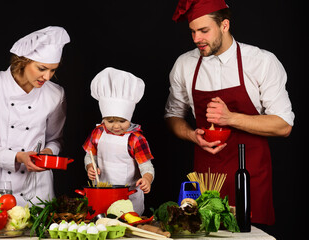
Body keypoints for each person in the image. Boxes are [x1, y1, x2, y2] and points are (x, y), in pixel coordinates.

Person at [165, 0, 294, 225]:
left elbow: (283, 125)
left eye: (204, 31)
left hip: (250, 175)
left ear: (225, 25)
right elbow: (173, 116)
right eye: (193, 32)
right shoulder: (184, 64)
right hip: (205, 179)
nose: (197, 39)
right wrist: (191, 135)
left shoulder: (261, 62)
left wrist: (230, 118)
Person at [0, 26, 70, 207]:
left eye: (53, 70)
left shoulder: (56, 94)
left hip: (38, 193)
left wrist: (48, 154)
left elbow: (55, 140)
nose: (47, 77)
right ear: (23, 61)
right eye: (42, 68)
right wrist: (19, 157)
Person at [83, 67, 155, 215]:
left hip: (128, 198)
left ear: (129, 118)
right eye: (110, 121)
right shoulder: (98, 132)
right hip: (101, 194)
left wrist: (147, 179)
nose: (116, 126)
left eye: (122, 121)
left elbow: (147, 167)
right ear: (103, 119)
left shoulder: (136, 139)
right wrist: (90, 166)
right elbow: (89, 155)